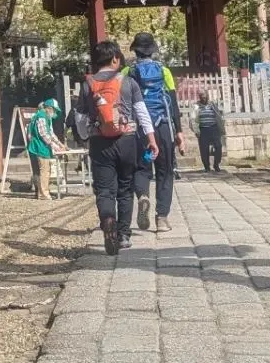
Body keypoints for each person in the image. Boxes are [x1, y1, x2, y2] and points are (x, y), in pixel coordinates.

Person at [77, 40, 158, 255]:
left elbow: (79, 117)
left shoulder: (88, 84)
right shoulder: (128, 82)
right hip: (127, 140)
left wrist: (87, 136)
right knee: (125, 188)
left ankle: (108, 221)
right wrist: (151, 139)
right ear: (115, 59)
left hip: (100, 143)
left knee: (104, 190)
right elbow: (142, 113)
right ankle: (123, 235)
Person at [125, 31, 185, 233]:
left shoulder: (128, 72)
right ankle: (162, 218)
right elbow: (173, 103)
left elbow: (123, 101)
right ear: (152, 51)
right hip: (163, 128)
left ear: (136, 51)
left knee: (141, 167)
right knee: (165, 171)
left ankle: (143, 195)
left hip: (141, 130)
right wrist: (179, 132)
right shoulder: (164, 71)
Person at [26, 97, 67, 200]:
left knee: (44, 170)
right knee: (44, 171)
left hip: (41, 147)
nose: (55, 112)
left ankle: (42, 193)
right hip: (39, 147)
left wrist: (60, 144)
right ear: (49, 108)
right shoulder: (42, 116)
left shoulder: (44, 117)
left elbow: (51, 133)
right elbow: (44, 134)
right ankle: (44, 193)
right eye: (54, 110)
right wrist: (55, 146)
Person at [195, 89, 226, 173]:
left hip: (214, 128)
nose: (203, 99)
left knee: (218, 146)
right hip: (203, 129)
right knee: (204, 149)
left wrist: (221, 128)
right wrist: (196, 131)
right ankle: (206, 166)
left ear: (207, 96)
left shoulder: (212, 104)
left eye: (205, 97)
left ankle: (216, 164)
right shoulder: (197, 106)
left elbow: (218, 115)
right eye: (202, 97)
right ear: (200, 97)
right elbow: (193, 119)